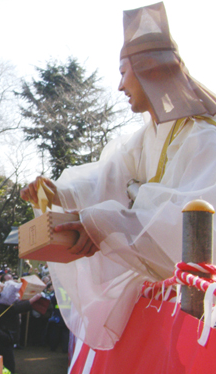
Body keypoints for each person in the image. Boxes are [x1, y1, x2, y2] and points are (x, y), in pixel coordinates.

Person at [20, 1, 216, 350]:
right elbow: (105, 179)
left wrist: (104, 222)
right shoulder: (146, 138)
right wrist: (59, 193)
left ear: (149, 71)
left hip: (199, 310)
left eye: (124, 72)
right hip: (163, 303)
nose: (121, 85)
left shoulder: (204, 136)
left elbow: (190, 220)